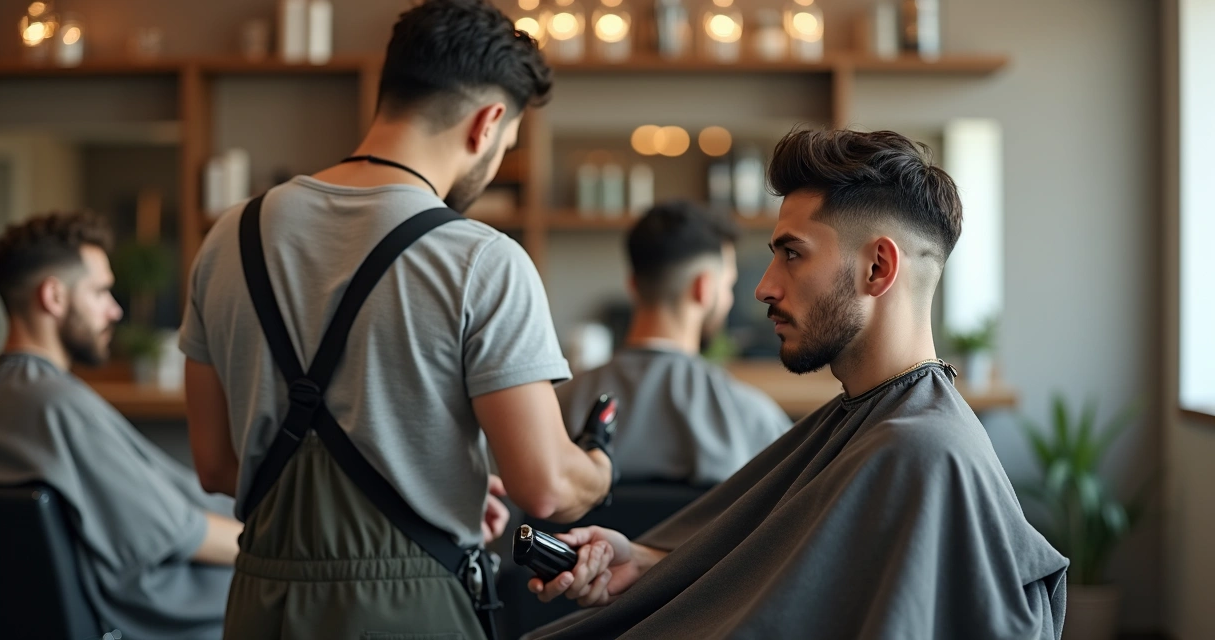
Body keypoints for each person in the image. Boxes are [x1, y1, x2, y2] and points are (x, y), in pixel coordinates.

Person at [524, 129, 1069, 639]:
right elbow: (767, 564)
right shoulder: (861, 419)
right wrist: (646, 561)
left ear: (878, 268)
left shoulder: (920, 451)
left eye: (792, 254)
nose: (764, 288)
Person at [179, 2, 613, 638]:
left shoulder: (229, 237)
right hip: (408, 613)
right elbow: (546, 487)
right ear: (488, 124)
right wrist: (598, 467)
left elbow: (217, 465)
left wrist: (444, 484)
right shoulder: (482, 259)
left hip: (259, 604)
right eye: (506, 146)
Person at [0, 212, 239, 640]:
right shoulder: (55, 405)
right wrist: (286, 547)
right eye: (100, 291)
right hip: (182, 613)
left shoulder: (20, 395)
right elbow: (179, 533)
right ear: (53, 296)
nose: (116, 309)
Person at [558, 201, 790, 485]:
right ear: (703, 288)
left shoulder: (558, 407)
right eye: (728, 285)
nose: (728, 298)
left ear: (632, 284)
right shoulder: (756, 421)